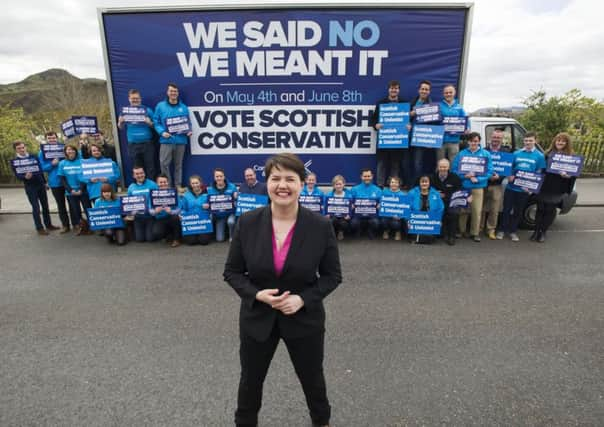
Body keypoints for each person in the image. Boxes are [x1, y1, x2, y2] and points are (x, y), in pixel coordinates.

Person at [224, 153, 342, 427]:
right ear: (267, 183)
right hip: (257, 318)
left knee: (312, 379)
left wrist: (303, 299)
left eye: (290, 179)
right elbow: (232, 272)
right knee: (250, 381)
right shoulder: (248, 223)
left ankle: (321, 422)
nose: (282, 185)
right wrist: (256, 294)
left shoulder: (321, 226)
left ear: (303, 183)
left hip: (304, 319)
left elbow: (332, 276)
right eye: (275, 178)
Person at [497, 132, 546, 242]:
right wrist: (509, 175)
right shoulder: (516, 153)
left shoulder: (539, 156)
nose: (528, 142)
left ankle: (513, 231)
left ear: (535, 141)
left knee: (518, 211)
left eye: (530, 140)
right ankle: (502, 230)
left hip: (524, 189)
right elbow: (509, 167)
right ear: (523, 141)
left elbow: (539, 173)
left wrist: (532, 187)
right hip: (511, 187)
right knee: (506, 210)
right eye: (526, 140)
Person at [533, 132, 576, 243]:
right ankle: (536, 231)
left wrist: (568, 176)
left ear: (567, 143)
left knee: (549, 210)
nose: (560, 142)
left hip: (557, 187)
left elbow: (574, 174)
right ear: (554, 142)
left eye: (563, 141)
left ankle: (543, 232)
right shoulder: (547, 154)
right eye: (558, 140)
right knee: (540, 209)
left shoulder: (571, 157)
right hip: (544, 185)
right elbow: (541, 169)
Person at [451, 132, 493, 242]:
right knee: (463, 210)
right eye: (471, 141)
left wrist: (478, 179)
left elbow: (489, 172)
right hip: (464, 186)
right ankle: (461, 231)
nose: (473, 143)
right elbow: (454, 170)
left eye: (476, 141)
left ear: (479, 141)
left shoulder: (486, 154)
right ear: (468, 142)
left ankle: (474, 233)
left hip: (478, 186)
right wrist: (464, 176)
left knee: (477, 210)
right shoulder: (461, 154)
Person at [12, 141, 58, 235]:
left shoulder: (33, 157)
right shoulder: (15, 161)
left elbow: (40, 170)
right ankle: (39, 228)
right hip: (30, 187)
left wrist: (45, 182)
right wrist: (24, 177)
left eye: (23, 147)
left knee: (45, 206)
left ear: (25, 147)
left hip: (40, 185)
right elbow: (17, 175)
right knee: (36, 207)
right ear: (16, 150)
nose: (22, 150)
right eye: (19, 148)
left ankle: (48, 225)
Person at [369, 80, 410, 187]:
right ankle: (380, 185)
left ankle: (394, 186)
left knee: (395, 165)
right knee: (381, 164)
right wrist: (376, 125)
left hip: (397, 140)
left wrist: (409, 126)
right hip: (384, 139)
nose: (394, 90)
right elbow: (373, 119)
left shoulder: (404, 104)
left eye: (396, 88)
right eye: (392, 88)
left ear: (399, 90)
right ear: (389, 89)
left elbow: (408, 120)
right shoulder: (381, 103)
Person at [153, 83, 192, 190]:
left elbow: (188, 122)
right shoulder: (160, 106)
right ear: (167, 92)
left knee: (178, 165)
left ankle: (178, 185)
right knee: (164, 164)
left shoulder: (183, 107)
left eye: (175, 91)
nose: (173, 93)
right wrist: (161, 132)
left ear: (178, 93)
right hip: (166, 140)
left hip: (181, 140)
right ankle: (167, 186)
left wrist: (189, 130)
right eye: (171, 91)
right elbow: (155, 122)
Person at [118, 89, 156, 179]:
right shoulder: (124, 111)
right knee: (137, 168)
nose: (135, 100)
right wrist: (120, 122)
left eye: (137, 98)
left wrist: (150, 123)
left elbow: (156, 126)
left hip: (147, 143)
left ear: (140, 98)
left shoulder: (147, 110)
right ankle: (139, 187)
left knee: (150, 167)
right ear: (129, 99)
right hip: (133, 144)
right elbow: (121, 127)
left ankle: (150, 187)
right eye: (133, 98)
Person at [38, 131, 71, 233]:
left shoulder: (64, 149)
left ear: (57, 138)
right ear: (46, 140)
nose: (52, 140)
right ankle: (65, 225)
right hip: (55, 182)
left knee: (72, 204)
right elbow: (42, 168)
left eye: (53, 138)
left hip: (68, 180)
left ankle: (76, 223)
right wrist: (52, 164)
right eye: (49, 138)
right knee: (61, 205)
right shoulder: (42, 152)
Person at [482, 129, 510, 240]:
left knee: (494, 209)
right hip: (483, 183)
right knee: (481, 207)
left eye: (498, 137)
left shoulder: (506, 152)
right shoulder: (483, 151)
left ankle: (491, 229)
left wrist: (500, 176)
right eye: (494, 137)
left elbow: (506, 169)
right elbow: (479, 167)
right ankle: (480, 227)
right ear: (491, 137)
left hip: (497, 184)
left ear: (502, 139)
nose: (496, 139)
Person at [58, 144, 89, 235]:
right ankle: (81, 226)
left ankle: (92, 225)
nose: (70, 151)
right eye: (68, 150)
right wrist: (70, 190)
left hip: (83, 191)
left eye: (72, 149)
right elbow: (62, 179)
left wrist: (81, 189)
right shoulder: (62, 163)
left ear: (75, 151)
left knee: (88, 209)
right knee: (76, 211)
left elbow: (86, 175)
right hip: (71, 192)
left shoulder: (82, 161)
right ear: (65, 152)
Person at [430, 159, 463, 245]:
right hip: (436, 203)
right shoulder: (432, 177)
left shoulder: (455, 178)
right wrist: (436, 194)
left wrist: (447, 196)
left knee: (454, 213)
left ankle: (451, 236)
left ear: (449, 167)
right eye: (441, 167)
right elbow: (428, 189)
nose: (443, 169)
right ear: (438, 167)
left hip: (451, 202)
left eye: (445, 167)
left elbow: (459, 191)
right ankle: (437, 232)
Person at [407, 175, 444, 244]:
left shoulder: (435, 193)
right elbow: (407, 208)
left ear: (429, 183)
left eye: (426, 182)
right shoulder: (412, 193)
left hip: (430, 221)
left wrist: (439, 220)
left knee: (430, 238)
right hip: (415, 220)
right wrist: (408, 220)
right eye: (422, 182)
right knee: (416, 236)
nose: (424, 183)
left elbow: (441, 208)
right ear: (419, 183)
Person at [410, 80, 435, 182]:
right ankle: (411, 182)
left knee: (418, 163)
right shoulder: (412, 102)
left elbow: (434, 123)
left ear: (429, 92)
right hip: (409, 137)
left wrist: (429, 139)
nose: (424, 91)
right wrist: (409, 115)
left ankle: (418, 183)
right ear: (419, 90)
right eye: (422, 89)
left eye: (426, 89)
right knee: (409, 162)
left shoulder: (431, 106)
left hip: (421, 139)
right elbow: (403, 119)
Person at [126, 166, 159, 242]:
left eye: (141, 173)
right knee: (139, 239)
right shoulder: (131, 187)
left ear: (144, 173)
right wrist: (130, 212)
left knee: (150, 239)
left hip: (150, 217)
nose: (140, 175)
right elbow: (128, 203)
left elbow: (157, 199)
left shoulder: (152, 184)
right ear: (134, 176)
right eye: (137, 174)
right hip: (138, 217)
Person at [438, 84, 467, 162]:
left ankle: (452, 175)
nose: (448, 94)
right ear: (443, 94)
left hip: (454, 141)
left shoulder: (459, 107)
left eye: (450, 92)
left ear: (454, 93)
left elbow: (466, 120)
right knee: (440, 164)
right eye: (446, 93)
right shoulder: (439, 106)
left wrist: (467, 129)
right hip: (440, 141)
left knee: (454, 163)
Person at [179, 175, 212, 246]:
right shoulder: (186, 195)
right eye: (193, 183)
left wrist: (209, 207)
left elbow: (213, 207)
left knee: (204, 241)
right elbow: (183, 209)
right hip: (191, 222)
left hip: (203, 221)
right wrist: (182, 215)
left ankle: (201, 235)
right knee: (191, 242)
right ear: (190, 184)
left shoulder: (207, 194)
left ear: (200, 183)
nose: (195, 185)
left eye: (196, 183)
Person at [150, 174, 181, 247]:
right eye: (161, 182)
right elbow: (150, 209)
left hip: (172, 217)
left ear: (168, 182)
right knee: (156, 233)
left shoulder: (173, 192)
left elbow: (179, 208)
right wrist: (155, 211)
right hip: (160, 218)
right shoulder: (153, 194)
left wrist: (171, 211)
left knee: (176, 217)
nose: (163, 184)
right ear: (157, 183)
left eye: (165, 182)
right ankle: (168, 235)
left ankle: (177, 239)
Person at [207, 168, 238, 242]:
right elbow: (209, 202)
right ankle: (208, 236)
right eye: (217, 176)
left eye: (221, 176)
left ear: (224, 177)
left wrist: (236, 198)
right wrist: (207, 205)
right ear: (214, 178)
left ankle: (232, 236)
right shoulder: (210, 189)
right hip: (219, 217)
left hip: (231, 214)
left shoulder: (232, 187)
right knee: (220, 239)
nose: (219, 178)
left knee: (231, 221)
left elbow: (238, 202)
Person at [350, 168, 382, 239]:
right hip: (358, 215)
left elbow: (381, 202)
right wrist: (351, 204)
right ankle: (358, 230)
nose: (367, 178)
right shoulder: (354, 189)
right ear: (361, 177)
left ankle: (370, 230)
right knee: (353, 224)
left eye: (368, 176)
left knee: (376, 223)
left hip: (372, 215)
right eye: (365, 176)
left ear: (372, 176)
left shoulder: (378, 190)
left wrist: (380, 205)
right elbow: (350, 201)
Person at [325, 174, 352, 241]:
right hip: (333, 215)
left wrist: (349, 215)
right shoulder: (328, 195)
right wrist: (326, 214)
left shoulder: (349, 195)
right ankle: (332, 234)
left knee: (344, 224)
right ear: (333, 186)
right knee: (331, 221)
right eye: (336, 184)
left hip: (343, 217)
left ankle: (341, 232)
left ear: (344, 184)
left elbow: (351, 208)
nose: (338, 186)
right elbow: (325, 206)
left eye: (340, 184)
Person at [380, 176, 405, 241]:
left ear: (399, 184)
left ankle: (398, 232)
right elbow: (381, 202)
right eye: (392, 182)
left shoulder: (402, 195)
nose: (394, 184)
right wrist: (379, 205)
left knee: (396, 224)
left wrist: (400, 216)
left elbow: (404, 208)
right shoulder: (384, 192)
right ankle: (386, 231)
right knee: (383, 221)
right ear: (389, 183)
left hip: (396, 217)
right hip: (386, 215)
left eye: (396, 182)